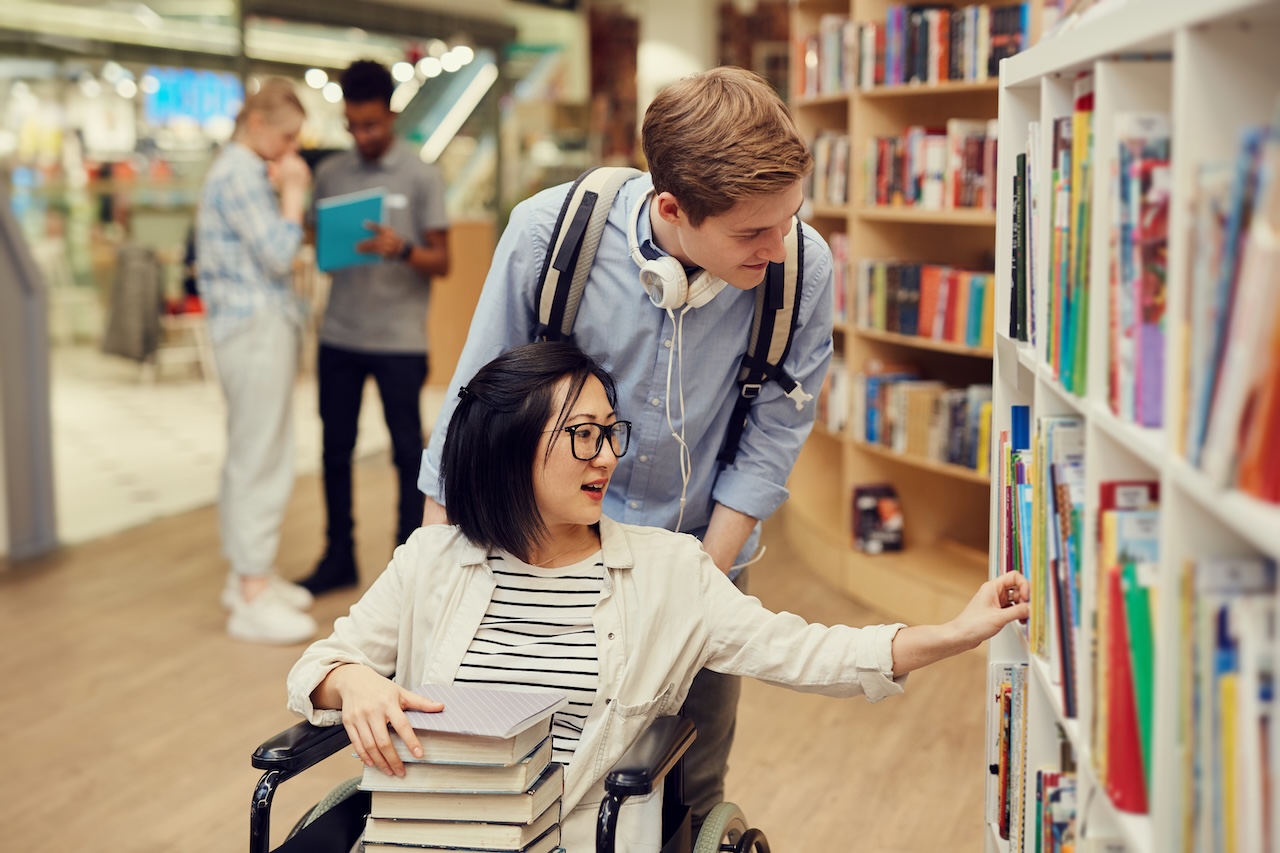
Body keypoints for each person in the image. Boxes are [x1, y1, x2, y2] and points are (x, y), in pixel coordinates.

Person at [288, 342, 1030, 852]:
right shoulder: (433, 559)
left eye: (612, 432)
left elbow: (809, 652)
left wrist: (954, 632)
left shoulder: (670, 571)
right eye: (583, 435)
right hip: (425, 834)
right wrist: (352, 680)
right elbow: (321, 663)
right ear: (511, 445)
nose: (607, 455)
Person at [417, 66, 829, 827]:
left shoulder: (800, 266)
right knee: (523, 783)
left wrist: (690, 587)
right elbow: (471, 414)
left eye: (790, 218)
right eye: (751, 232)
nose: (779, 246)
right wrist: (436, 588)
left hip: (701, 554)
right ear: (671, 206)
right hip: (542, 563)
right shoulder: (550, 238)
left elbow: (774, 431)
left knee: (688, 787)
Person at [298, 59, 451, 597]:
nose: (363, 135)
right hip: (339, 334)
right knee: (333, 451)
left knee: (408, 453)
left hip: (399, 341)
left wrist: (402, 248)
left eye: (372, 125)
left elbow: (443, 260)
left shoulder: (421, 175)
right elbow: (316, 245)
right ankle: (338, 555)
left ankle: (406, 570)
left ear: (390, 115)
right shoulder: (330, 175)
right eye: (353, 125)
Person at [196, 78, 316, 644]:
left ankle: (249, 575)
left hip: (249, 326)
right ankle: (251, 592)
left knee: (251, 448)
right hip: (254, 326)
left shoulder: (234, 169)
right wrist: (292, 193)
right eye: (288, 136)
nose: (293, 149)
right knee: (262, 454)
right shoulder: (243, 171)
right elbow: (276, 253)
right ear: (259, 125)